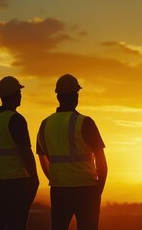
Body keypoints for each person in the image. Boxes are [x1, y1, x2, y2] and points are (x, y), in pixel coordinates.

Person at [37, 74, 108, 230]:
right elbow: (101, 162)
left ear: (58, 96)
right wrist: (98, 191)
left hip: (59, 189)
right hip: (87, 189)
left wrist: (57, 178)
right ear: (75, 96)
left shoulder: (45, 124)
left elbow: (43, 159)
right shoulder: (85, 122)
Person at [0, 76, 39, 230]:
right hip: (17, 185)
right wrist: (34, 178)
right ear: (14, 95)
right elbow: (26, 152)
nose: (21, 95)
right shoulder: (16, 120)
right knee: (17, 225)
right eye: (19, 92)